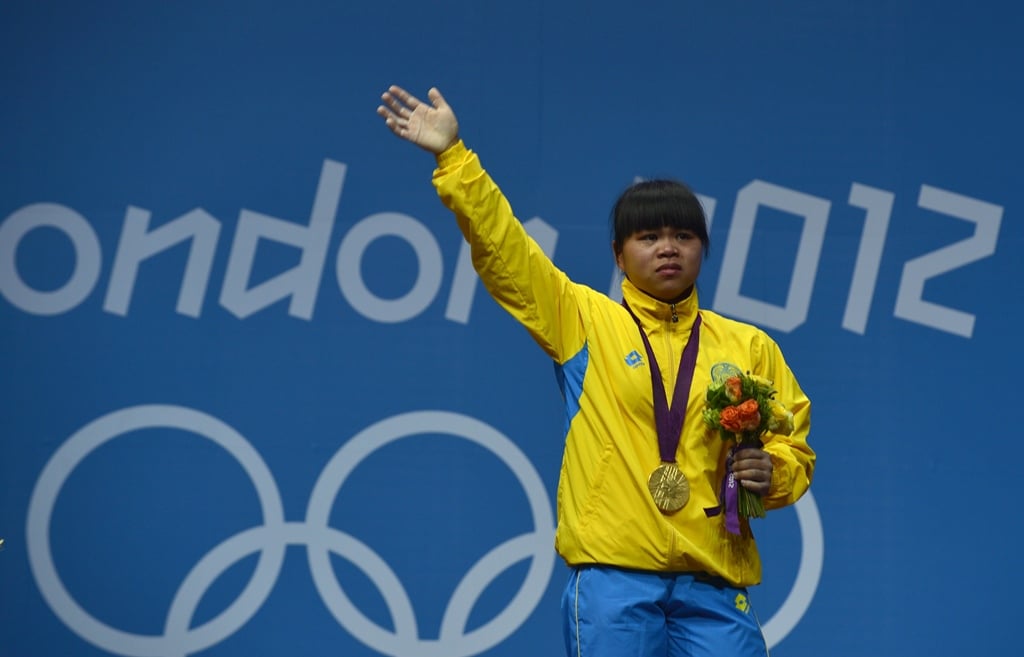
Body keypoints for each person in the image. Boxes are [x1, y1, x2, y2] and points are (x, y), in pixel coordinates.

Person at [377, 84, 814, 657]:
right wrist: (454, 158)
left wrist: (771, 472)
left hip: (715, 581)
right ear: (617, 253)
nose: (668, 248)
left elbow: (793, 447)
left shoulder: (748, 345)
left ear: (703, 249)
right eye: (648, 236)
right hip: (614, 581)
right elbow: (506, 253)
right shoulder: (582, 319)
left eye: (683, 236)